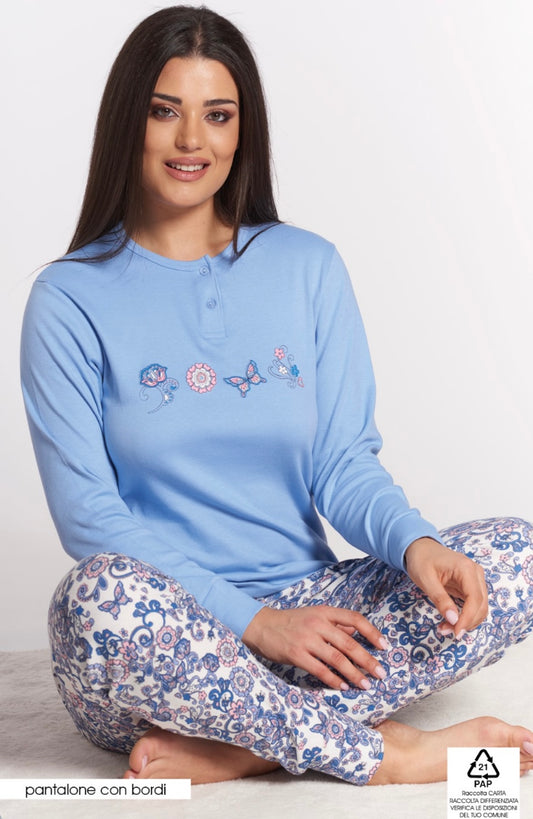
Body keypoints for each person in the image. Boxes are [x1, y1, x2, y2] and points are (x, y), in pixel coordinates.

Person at [20, 5, 533, 787]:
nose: (192, 140)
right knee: (94, 601)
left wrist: (416, 544)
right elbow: (91, 517)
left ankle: (246, 746)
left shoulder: (306, 266)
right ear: (129, 121)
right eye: (165, 111)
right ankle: (384, 753)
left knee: (515, 556)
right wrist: (256, 623)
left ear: (242, 130)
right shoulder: (68, 299)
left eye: (217, 115)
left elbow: (341, 463)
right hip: (169, 638)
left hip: (316, 616)